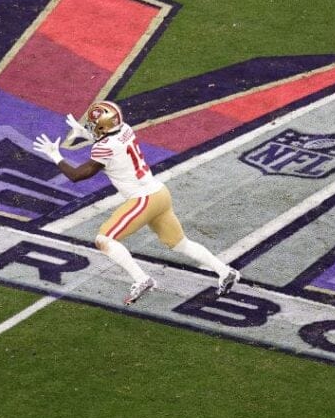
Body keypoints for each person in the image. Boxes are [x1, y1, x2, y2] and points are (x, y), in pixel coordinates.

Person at [32, 101, 241, 305]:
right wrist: (84, 134)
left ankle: (142, 279)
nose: (90, 127)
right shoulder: (125, 129)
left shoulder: (105, 146)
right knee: (179, 243)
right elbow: (112, 145)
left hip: (143, 200)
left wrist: (55, 155)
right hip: (159, 193)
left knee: (104, 239)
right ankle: (225, 271)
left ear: (104, 126)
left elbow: (78, 175)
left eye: (93, 126)